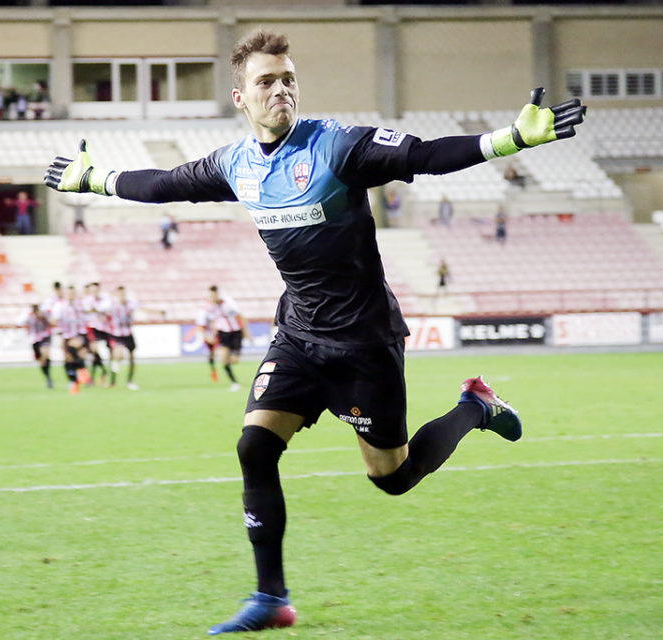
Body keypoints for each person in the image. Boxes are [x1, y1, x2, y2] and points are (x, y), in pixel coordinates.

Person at [45, 29, 584, 635]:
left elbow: (424, 155)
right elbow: (164, 184)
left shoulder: (338, 147)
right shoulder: (235, 165)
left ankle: (475, 407)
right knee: (254, 447)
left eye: (288, 79)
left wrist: (511, 139)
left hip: (364, 344)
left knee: (393, 478)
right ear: (240, 97)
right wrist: (95, 180)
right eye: (266, 81)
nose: (281, 89)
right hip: (299, 337)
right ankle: (270, 598)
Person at [197, 285, 250, 392]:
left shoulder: (228, 304)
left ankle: (226, 359)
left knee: (234, 360)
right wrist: (208, 336)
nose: (212, 297)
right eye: (210, 295)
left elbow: (241, 317)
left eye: (214, 295)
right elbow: (202, 324)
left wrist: (246, 332)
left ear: (218, 294)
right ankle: (235, 383)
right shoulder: (208, 308)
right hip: (222, 333)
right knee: (224, 359)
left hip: (235, 333)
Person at [51, 285, 92, 394]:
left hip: (80, 334)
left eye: (72, 293)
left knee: (77, 350)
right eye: (68, 293)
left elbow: (90, 311)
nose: (70, 295)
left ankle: (83, 371)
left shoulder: (81, 304)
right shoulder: (60, 306)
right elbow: (53, 320)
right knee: (69, 359)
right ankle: (74, 381)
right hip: (66, 336)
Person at [82, 282, 110, 386]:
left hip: (103, 327)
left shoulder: (105, 298)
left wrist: (96, 310)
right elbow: (86, 311)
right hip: (91, 327)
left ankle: (97, 375)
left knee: (96, 353)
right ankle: (102, 372)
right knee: (94, 350)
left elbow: (106, 309)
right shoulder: (87, 300)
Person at [20, 303, 54, 389]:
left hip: (45, 336)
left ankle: (48, 377)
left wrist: (44, 316)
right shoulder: (28, 315)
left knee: (45, 354)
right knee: (40, 360)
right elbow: (19, 322)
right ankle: (48, 377)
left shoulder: (45, 314)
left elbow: (52, 320)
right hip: (34, 339)